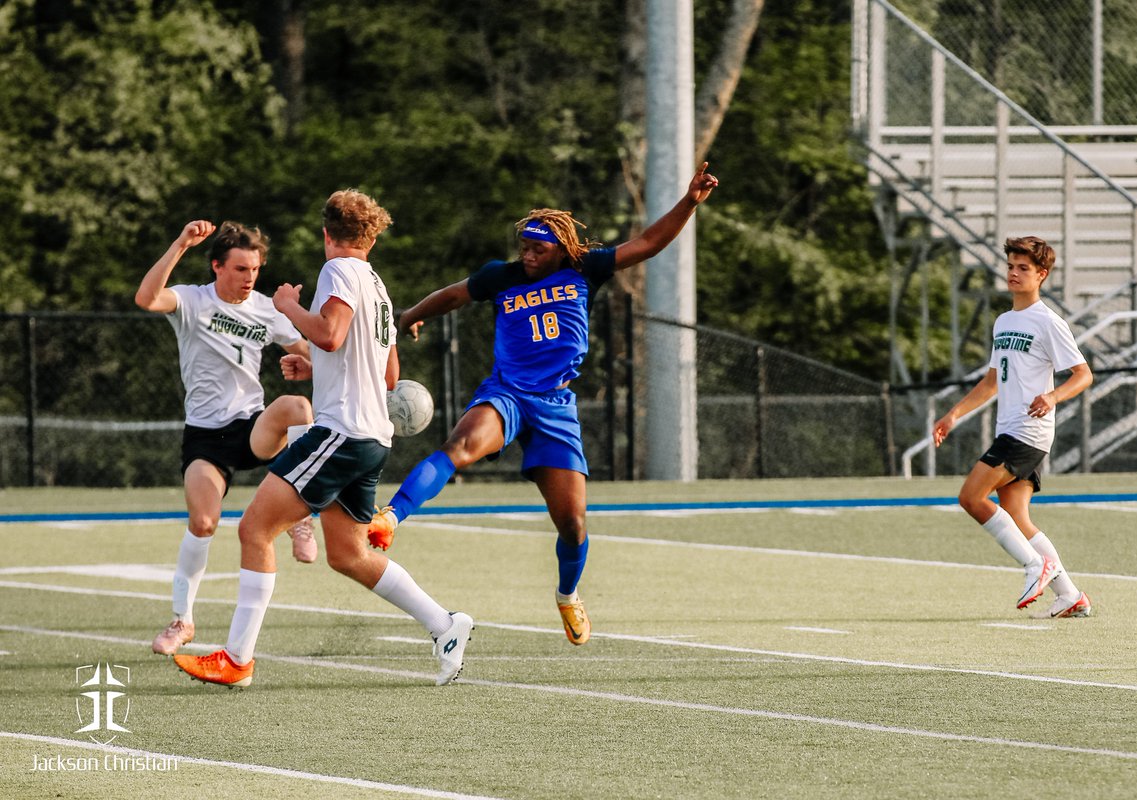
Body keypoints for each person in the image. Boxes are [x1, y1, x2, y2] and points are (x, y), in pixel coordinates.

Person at [367, 163, 720, 646]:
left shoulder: (586, 269)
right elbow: (452, 295)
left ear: (562, 249)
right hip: (508, 394)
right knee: (459, 445)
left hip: (555, 406)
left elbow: (648, 245)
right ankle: (391, 517)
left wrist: (689, 202)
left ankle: (568, 595)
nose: (529, 256)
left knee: (573, 524)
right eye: (525, 248)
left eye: (539, 249)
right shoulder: (503, 276)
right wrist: (409, 316)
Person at [173, 189, 473, 688]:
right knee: (348, 554)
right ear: (371, 237)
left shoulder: (338, 271)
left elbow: (331, 334)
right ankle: (445, 625)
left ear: (327, 234)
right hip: (372, 436)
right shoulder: (378, 285)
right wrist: (316, 368)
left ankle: (237, 659)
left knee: (253, 530)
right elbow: (386, 372)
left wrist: (289, 306)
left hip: (341, 433)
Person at [135, 220, 317, 657]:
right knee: (203, 523)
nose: (249, 277)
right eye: (239, 268)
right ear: (217, 266)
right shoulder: (194, 300)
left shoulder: (265, 309)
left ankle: (301, 514)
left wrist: (309, 364)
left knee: (297, 408)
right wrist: (180, 243)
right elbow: (146, 298)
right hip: (204, 436)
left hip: (250, 428)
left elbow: (312, 352)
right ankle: (182, 621)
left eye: (254, 269)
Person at [933, 236, 1093, 618]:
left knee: (971, 497)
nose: (1014, 273)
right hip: (1010, 428)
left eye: (1024, 268)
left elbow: (1083, 375)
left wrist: (1052, 397)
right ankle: (1070, 595)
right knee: (1017, 518)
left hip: (1028, 431)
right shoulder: (1004, 321)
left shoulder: (1048, 321)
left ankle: (1034, 566)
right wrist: (953, 414)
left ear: (1042, 275)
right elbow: (991, 382)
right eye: (1011, 267)